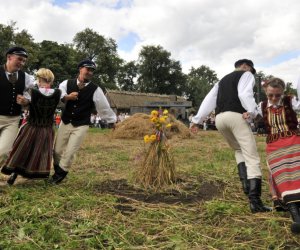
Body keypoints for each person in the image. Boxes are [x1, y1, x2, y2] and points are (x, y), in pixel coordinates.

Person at [190, 59, 272, 213]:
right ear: (246, 67)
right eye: (250, 70)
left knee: (239, 150)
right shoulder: (247, 74)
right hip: (236, 116)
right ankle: (255, 202)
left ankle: (247, 188)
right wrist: (253, 112)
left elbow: (209, 100)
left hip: (220, 119)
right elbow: (244, 93)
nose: (250, 73)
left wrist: (197, 120)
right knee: (252, 156)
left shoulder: (222, 80)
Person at [243, 77, 300, 233]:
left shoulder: (290, 101)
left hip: (294, 141)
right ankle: (296, 217)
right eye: (271, 95)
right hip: (274, 145)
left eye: (278, 95)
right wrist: (248, 118)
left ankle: (297, 217)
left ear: (282, 92)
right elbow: (252, 121)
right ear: (266, 93)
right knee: (281, 177)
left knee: (296, 175)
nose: (274, 98)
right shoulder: (260, 106)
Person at [48, 59, 117, 184]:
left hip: (81, 125)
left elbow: (104, 107)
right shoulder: (67, 83)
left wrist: (112, 121)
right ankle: (58, 169)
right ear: (80, 69)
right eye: (88, 69)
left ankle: (60, 174)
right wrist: (67, 97)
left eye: (92, 70)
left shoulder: (95, 89)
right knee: (56, 151)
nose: (90, 72)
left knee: (70, 151)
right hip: (65, 121)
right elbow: (59, 94)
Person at [1, 68, 61, 184]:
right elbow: (62, 102)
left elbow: (27, 104)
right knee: (40, 152)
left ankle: (14, 174)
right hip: (46, 128)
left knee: (23, 151)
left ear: (39, 79)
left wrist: (26, 103)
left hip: (32, 126)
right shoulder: (58, 93)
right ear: (51, 80)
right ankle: (35, 174)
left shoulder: (32, 92)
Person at [0, 46, 35, 163]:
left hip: (12, 120)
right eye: (19, 59)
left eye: (24, 61)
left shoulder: (27, 78)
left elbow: (30, 98)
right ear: (9, 57)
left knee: (4, 152)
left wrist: (26, 101)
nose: (22, 63)